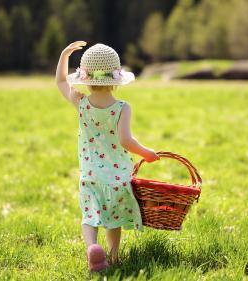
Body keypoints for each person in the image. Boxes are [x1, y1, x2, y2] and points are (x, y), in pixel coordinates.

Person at [55, 41, 160, 272]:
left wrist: (64, 55)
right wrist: (147, 153)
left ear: (86, 79)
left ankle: (92, 247)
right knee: (113, 220)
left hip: (90, 174)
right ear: (115, 80)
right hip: (117, 176)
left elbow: (61, 81)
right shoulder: (122, 107)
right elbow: (125, 140)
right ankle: (112, 257)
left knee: (89, 216)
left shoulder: (81, 102)